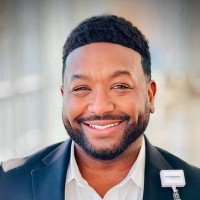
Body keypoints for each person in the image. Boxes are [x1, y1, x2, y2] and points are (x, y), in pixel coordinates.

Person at [0, 14, 200, 200]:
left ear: (150, 95)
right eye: (81, 88)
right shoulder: (8, 182)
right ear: (64, 97)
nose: (100, 107)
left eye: (120, 86)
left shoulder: (195, 187)